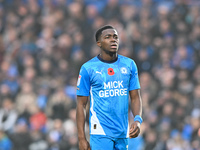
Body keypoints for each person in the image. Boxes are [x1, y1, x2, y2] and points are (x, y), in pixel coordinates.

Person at [76, 25, 143, 150]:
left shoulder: (129, 65)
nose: (113, 40)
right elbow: (81, 104)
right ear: (99, 43)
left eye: (115, 37)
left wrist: (137, 120)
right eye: (108, 37)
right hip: (100, 132)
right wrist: (81, 138)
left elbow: (135, 97)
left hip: (123, 131)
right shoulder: (88, 68)